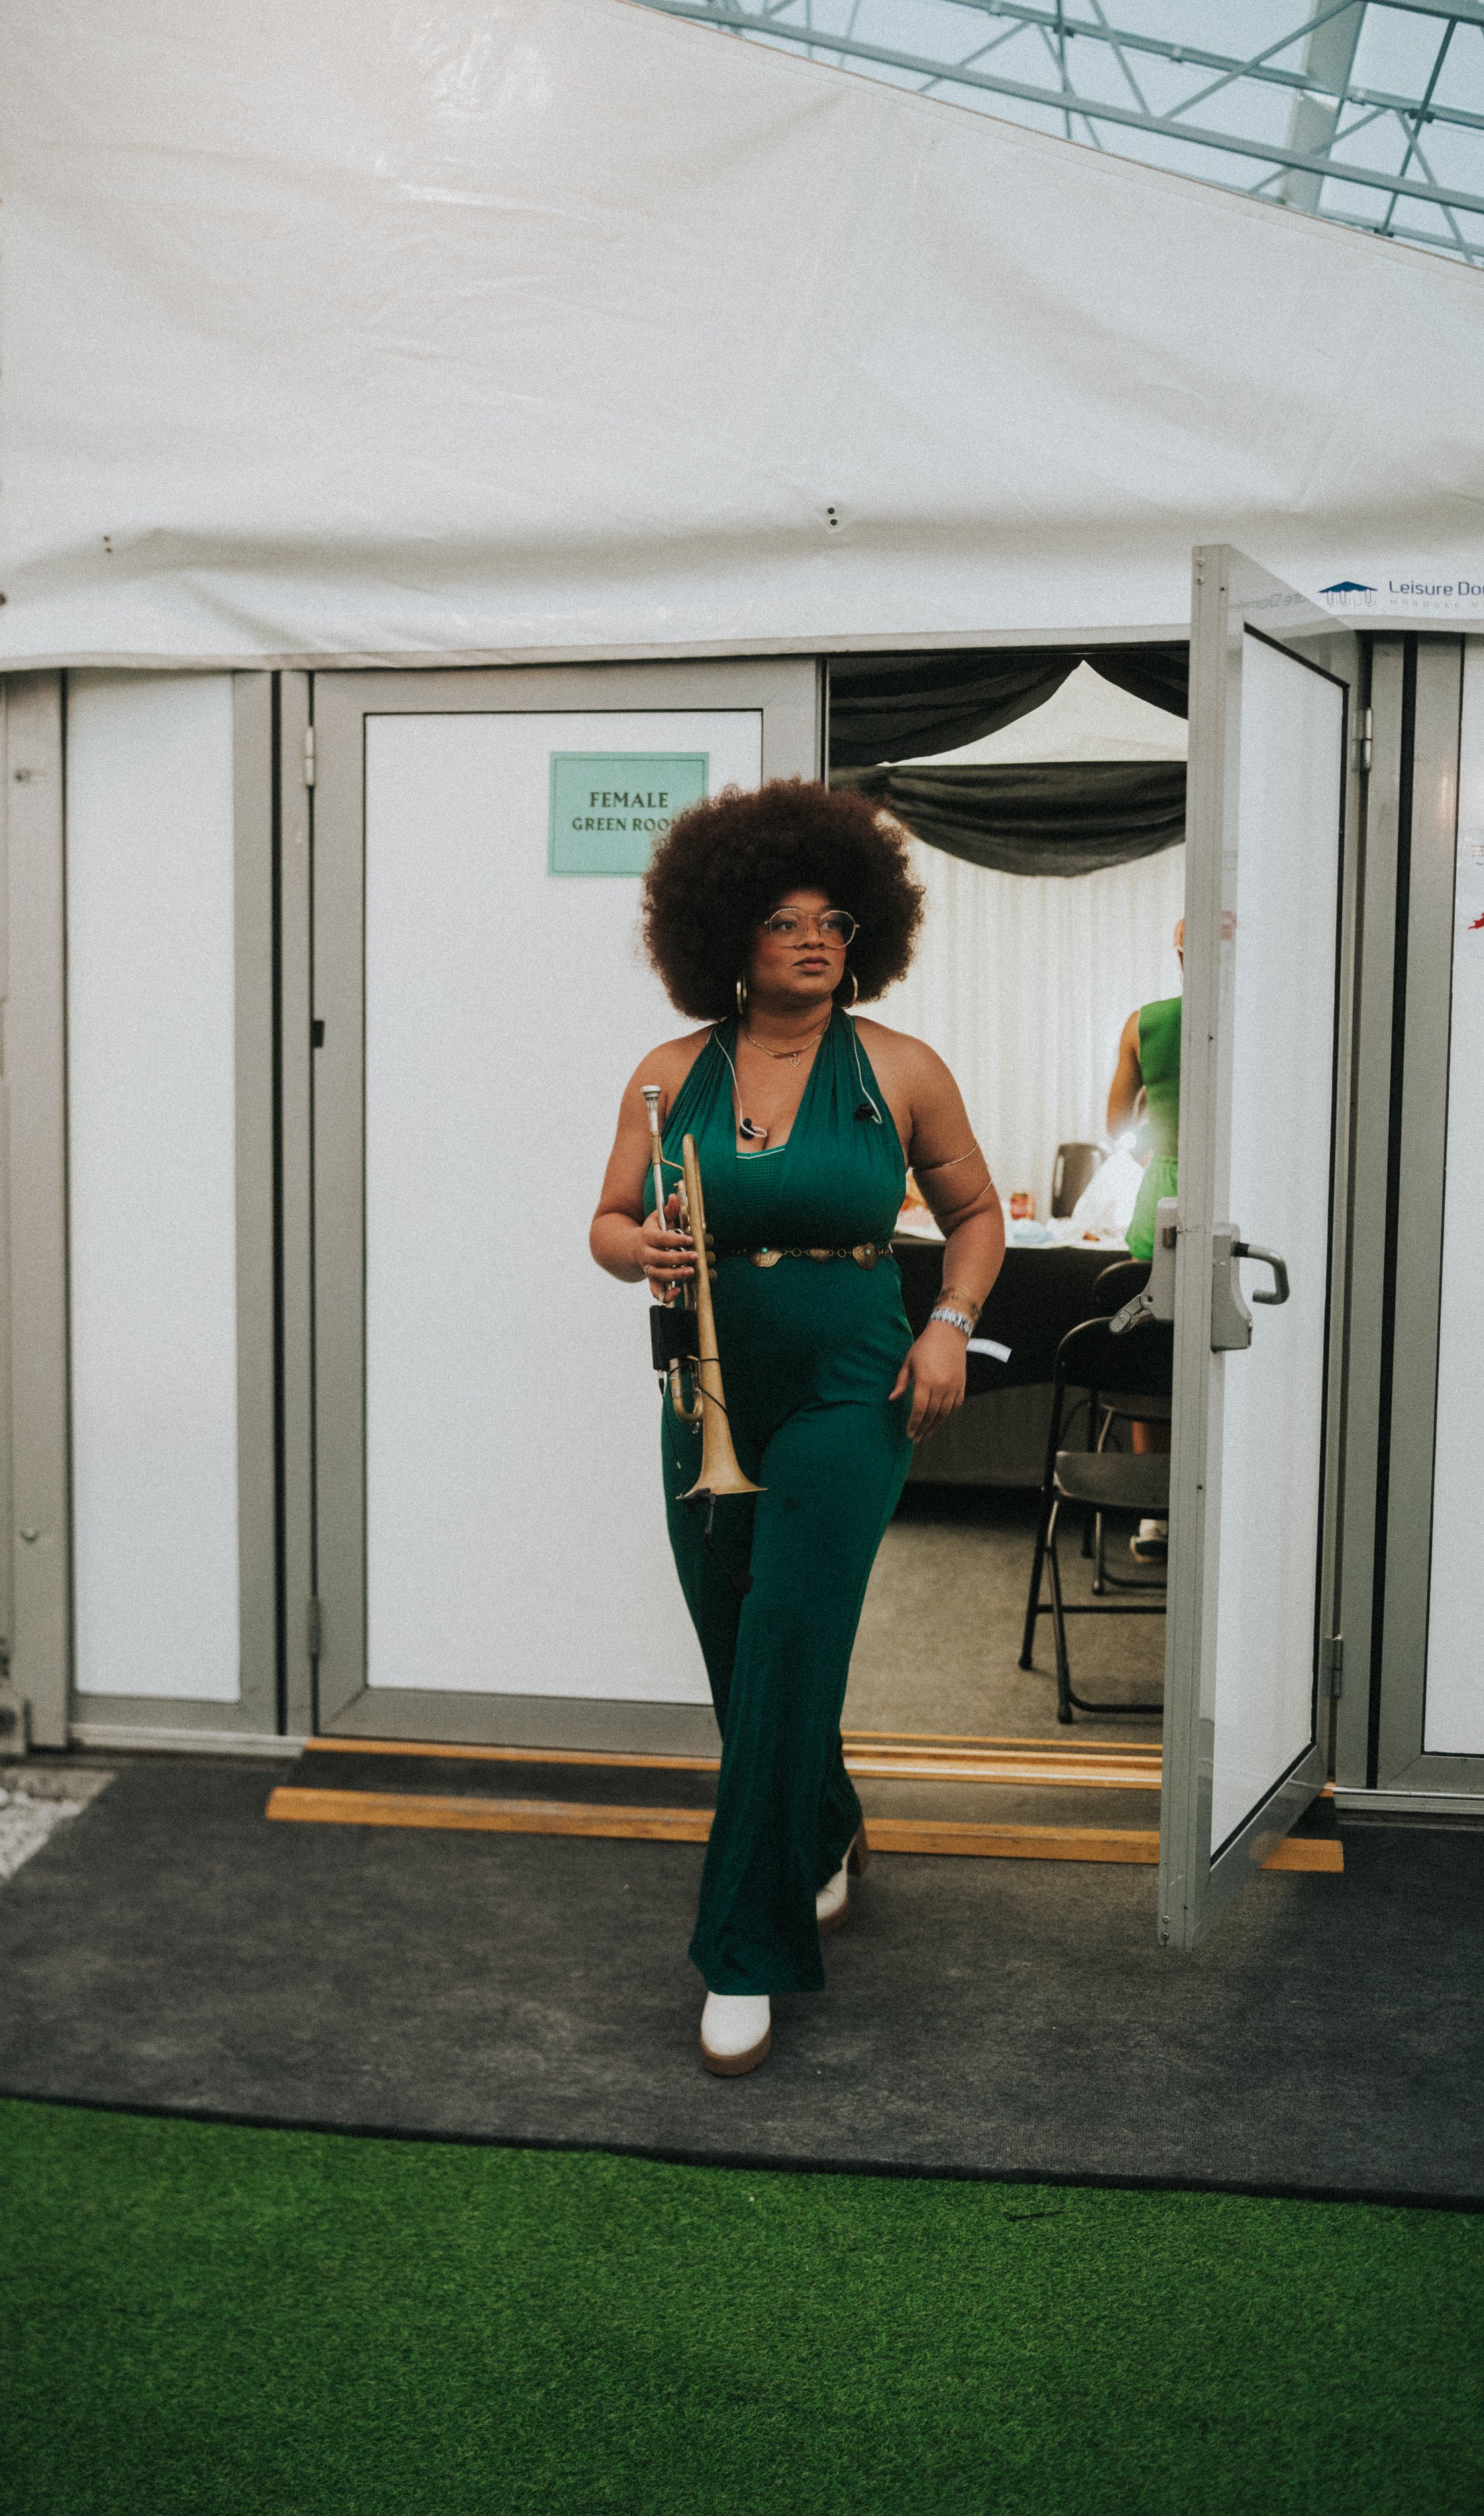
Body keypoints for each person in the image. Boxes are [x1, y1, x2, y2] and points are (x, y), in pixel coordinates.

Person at [590, 781, 1003, 2077]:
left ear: (865, 930)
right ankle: (821, 1827)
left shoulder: (901, 1071)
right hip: (705, 1393)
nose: (814, 940)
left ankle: (745, 1955)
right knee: (737, 1648)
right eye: (782, 921)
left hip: (851, 1380)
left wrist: (950, 1323)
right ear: (726, 935)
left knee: (783, 1630)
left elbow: (978, 1214)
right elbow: (606, 1222)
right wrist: (635, 1243)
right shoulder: (667, 1078)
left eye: (834, 919)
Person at [1106, 918, 1183, 1565]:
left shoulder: (1144, 1023)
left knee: (1150, 1357)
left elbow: (1115, 1124)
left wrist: (1160, 1159)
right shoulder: (1262, 1014)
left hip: (1161, 1198)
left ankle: (1154, 1515)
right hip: (1245, 1194)